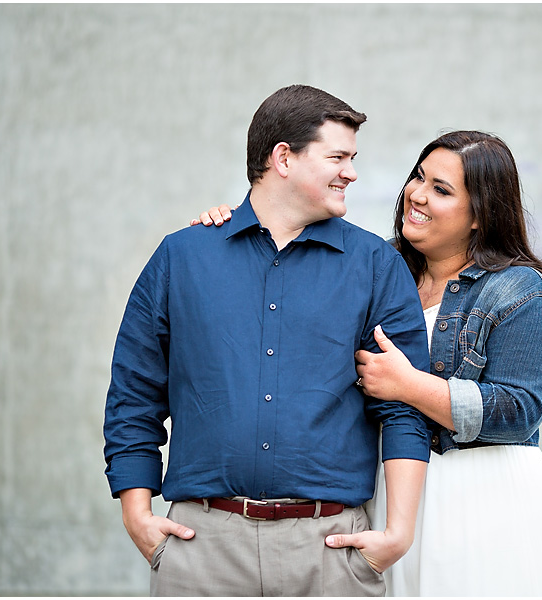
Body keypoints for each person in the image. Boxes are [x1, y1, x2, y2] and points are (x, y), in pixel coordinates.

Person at [196, 130, 542, 596]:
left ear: (480, 214)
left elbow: (520, 412)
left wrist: (409, 385)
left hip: (480, 503)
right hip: (391, 492)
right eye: (418, 177)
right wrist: (234, 225)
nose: (416, 195)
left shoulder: (519, 290)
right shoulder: (376, 266)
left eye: (441, 190)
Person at [103, 85, 431, 597]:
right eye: (337, 157)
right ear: (283, 158)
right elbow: (134, 394)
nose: (352, 171)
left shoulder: (376, 267)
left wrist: (397, 534)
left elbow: (405, 407)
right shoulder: (182, 258)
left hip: (331, 553)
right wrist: (136, 513)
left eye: (353, 158)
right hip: (201, 547)